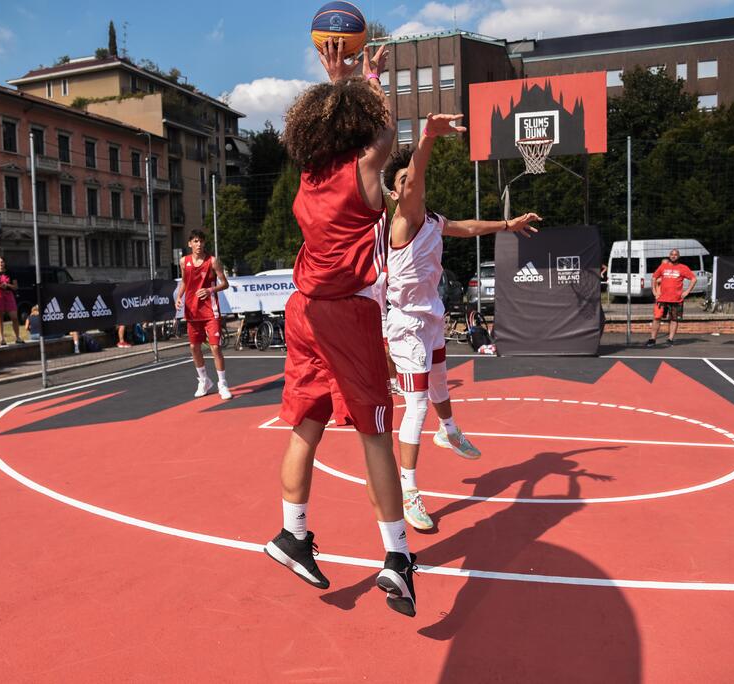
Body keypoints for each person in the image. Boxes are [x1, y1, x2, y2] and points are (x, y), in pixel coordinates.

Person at [262, 39, 420, 618]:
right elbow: (387, 135)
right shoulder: (363, 172)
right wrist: (370, 81)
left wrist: (337, 79)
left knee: (306, 424)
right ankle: (397, 556)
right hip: (346, 313)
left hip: (302, 308)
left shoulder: (310, 174)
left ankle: (292, 533)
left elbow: (353, 130)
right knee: (375, 433)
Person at [382, 120, 541, 530]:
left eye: (411, 177)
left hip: (431, 317)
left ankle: (449, 431)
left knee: (439, 382)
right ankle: (409, 492)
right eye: (403, 181)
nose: (411, 183)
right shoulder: (403, 219)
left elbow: (467, 228)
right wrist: (427, 136)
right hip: (406, 325)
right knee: (416, 404)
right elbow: (416, 176)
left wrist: (507, 225)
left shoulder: (432, 220)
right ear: (395, 192)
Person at [175, 229, 231, 400]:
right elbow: (185, 281)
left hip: (210, 311)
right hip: (192, 311)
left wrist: (210, 290)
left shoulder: (212, 261)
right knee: (194, 347)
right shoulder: (184, 261)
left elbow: (225, 284)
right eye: (196, 241)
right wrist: (179, 297)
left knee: (215, 347)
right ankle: (204, 380)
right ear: (190, 243)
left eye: (201, 241)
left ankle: (223, 384)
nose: (199, 244)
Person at [645, 249, 697, 347]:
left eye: (675, 254)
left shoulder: (683, 268)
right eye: (671, 254)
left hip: (676, 299)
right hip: (662, 299)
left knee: (674, 319)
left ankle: (670, 339)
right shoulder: (663, 266)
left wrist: (687, 291)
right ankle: (652, 339)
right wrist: (654, 291)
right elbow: (654, 277)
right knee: (657, 318)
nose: (673, 256)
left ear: (678, 256)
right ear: (669, 256)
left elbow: (694, 279)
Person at [0, 256, 23, 345]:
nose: (0, 264)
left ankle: (17, 337)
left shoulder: (11, 272)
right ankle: (2, 339)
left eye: (2, 262)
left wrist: (7, 285)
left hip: (9, 294)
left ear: (4, 263)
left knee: (14, 317)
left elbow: (16, 287)